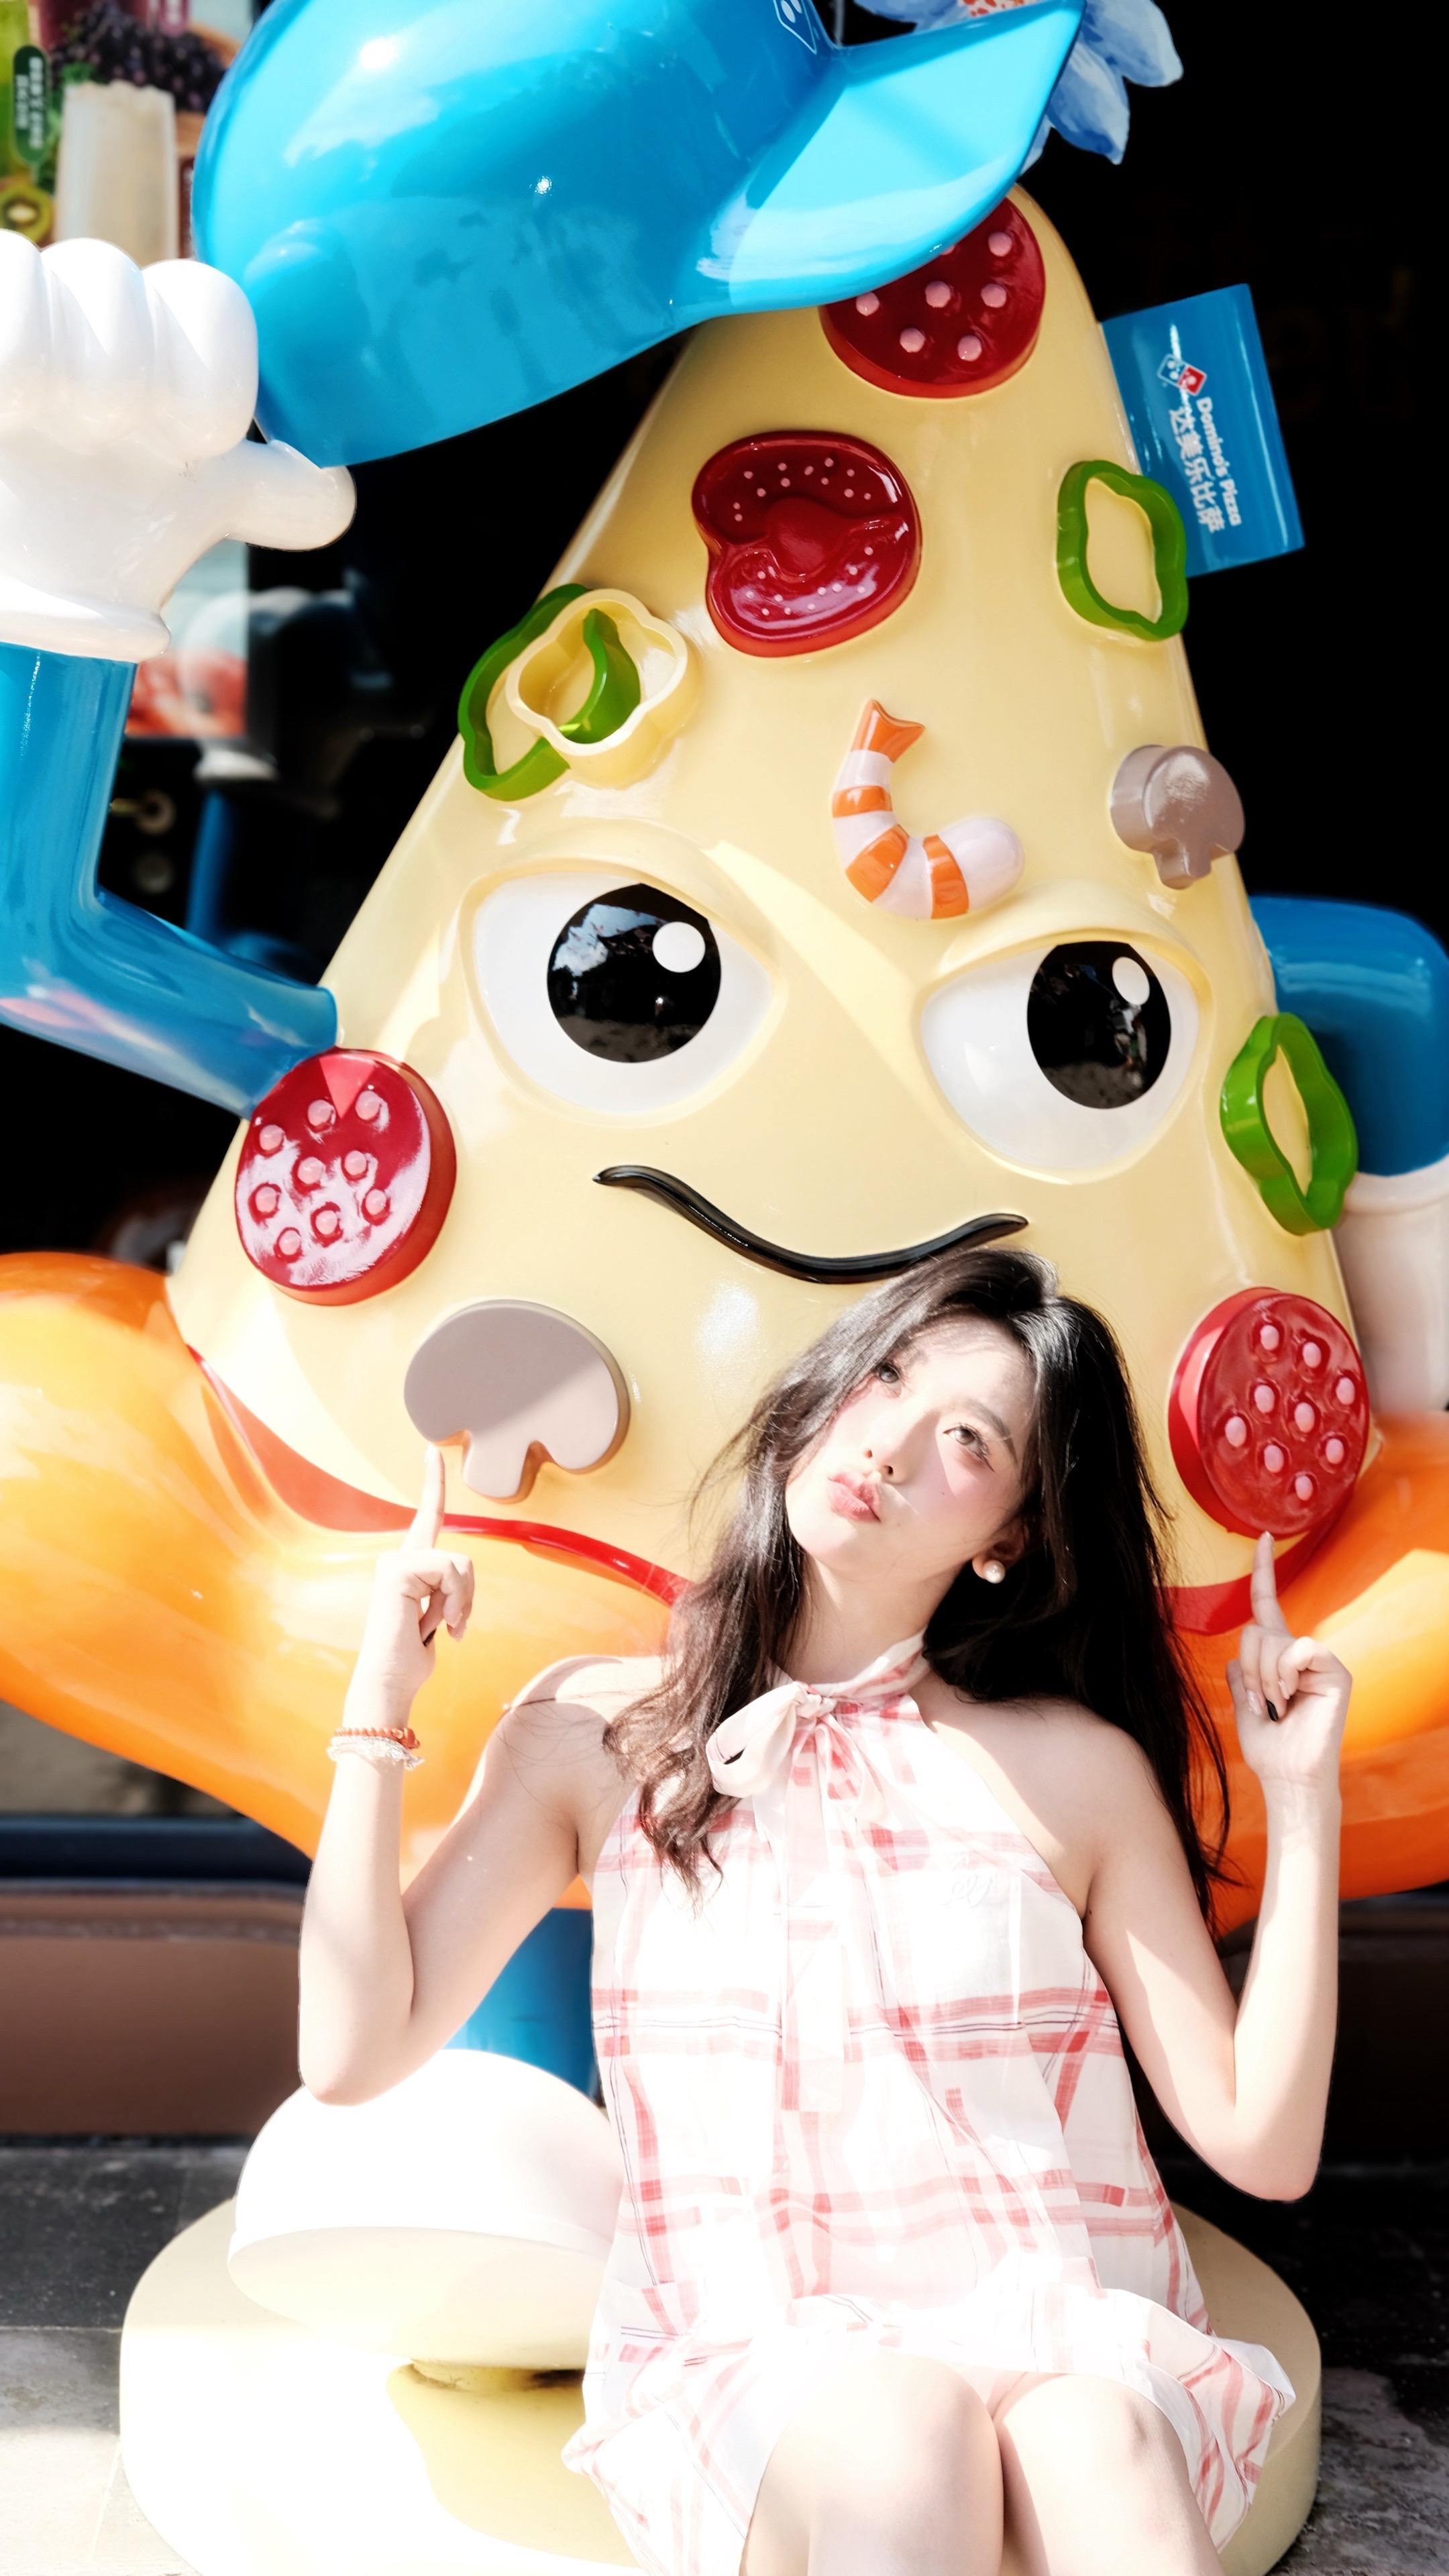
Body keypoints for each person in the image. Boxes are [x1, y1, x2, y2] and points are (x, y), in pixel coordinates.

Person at [298, 1245, 1347, 2576]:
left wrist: (1301, 1799)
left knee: (1104, 2443)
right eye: (888, 1378)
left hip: (1057, 2330)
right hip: (753, 2358)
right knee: (907, 2431)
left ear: (1010, 1539)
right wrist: (378, 1705)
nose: (892, 1445)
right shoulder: (597, 1734)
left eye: (967, 1438)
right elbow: (351, 2050)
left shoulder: (1073, 1772)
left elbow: (1263, 2143)